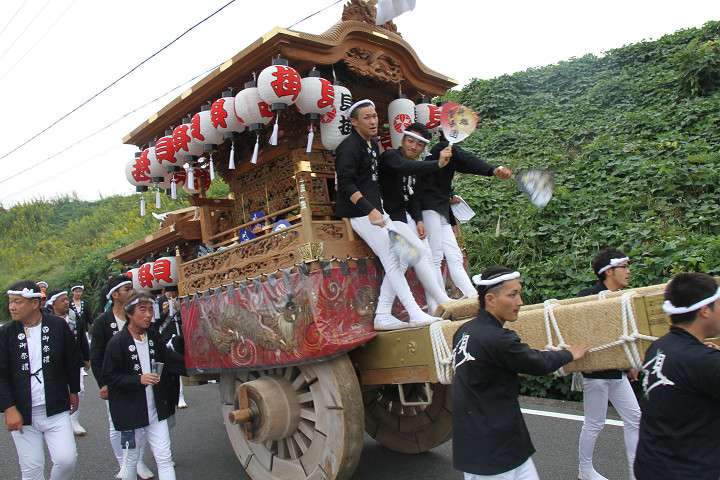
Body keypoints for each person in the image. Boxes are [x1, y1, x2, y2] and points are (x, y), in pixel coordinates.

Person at [452, 267, 588, 479]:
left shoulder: (464, 331)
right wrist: (568, 354)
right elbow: (537, 362)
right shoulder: (498, 339)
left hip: (498, 443)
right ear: (490, 299)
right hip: (491, 453)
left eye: (519, 294)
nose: (520, 302)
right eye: (512, 295)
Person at [335, 99, 441, 330]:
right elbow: (345, 184)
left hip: (378, 210)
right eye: (367, 117)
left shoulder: (372, 145)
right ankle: (414, 313)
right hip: (361, 212)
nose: (373, 121)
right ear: (354, 122)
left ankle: (383, 314)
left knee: (406, 255)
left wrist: (379, 209)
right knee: (394, 258)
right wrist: (370, 210)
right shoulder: (348, 147)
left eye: (374, 116)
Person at [634, 273, 720, 479]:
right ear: (705, 311)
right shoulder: (704, 361)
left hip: (651, 466)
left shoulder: (659, 346)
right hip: (688, 473)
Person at [415, 131, 513, 298]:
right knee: (436, 256)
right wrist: (492, 170)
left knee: (455, 256)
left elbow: (443, 176)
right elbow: (468, 161)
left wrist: (450, 196)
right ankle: (440, 300)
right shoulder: (443, 148)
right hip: (429, 208)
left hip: (442, 209)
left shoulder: (440, 151)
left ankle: (472, 295)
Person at [1, 280, 81, 480]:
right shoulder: (6, 333)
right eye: (10, 302)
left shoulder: (57, 325)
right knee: (32, 467)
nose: (12, 307)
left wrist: (74, 390)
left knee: (66, 459)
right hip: (23, 412)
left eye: (17, 302)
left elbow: (71, 360)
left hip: (56, 407)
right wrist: (9, 408)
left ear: (35, 303)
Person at [104, 291, 186, 480]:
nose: (148, 314)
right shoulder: (117, 342)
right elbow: (110, 376)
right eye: (142, 310)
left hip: (156, 409)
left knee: (164, 458)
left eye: (151, 309)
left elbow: (168, 359)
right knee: (131, 460)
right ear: (129, 313)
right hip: (131, 411)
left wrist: (196, 365)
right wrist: (138, 380)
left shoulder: (153, 337)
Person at [576, 248, 641, 480]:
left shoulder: (623, 298)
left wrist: (629, 362)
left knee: (635, 419)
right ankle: (585, 470)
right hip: (595, 372)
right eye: (624, 267)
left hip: (617, 372)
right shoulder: (587, 297)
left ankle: (636, 472)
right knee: (595, 423)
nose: (628, 271)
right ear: (609, 271)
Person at [377, 122, 454, 317]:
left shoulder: (416, 167)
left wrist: (419, 220)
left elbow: (414, 197)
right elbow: (404, 167)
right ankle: (441, 299)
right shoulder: (390, 157)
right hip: (388, 216)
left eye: (419, 145)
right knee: (415, 252)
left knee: (427, 253)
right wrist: (437, 164)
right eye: (410, 141)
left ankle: (434, 305)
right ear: (402, 140)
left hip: (405, 216)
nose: (413, 147)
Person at [91, 275, 155, 480]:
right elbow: (96, 356)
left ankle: (137, 460)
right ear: (115, 295)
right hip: (115, 380)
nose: (131, 291)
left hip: (139, 378)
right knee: (116, 423)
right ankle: (124, 463)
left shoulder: (137, 317)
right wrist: (103, 384)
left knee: (142, 421)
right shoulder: (103, 322)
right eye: (127, 289)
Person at [47, 289, 90, 436]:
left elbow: (82, 337)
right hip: (54, 363)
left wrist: (86, 357)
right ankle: (58, 420)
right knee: (58, 390)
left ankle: (73, 419)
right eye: (62, 300)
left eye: (67, 299)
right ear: (53, 304)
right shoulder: (46, 320)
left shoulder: (73, 316)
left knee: (79, 389)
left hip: (74, 360)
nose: (66, 302)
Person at [156, 288, 186, 409]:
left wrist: (179, 310)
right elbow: (155, 322)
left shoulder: (180, 300)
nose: (175, 294)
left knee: (179, 364)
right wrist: (164, 312)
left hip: (178, 338)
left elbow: (186, 319)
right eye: (173, 292)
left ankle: (180, 395)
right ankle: (174, 394)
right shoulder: (159, 302)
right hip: (165, 337)